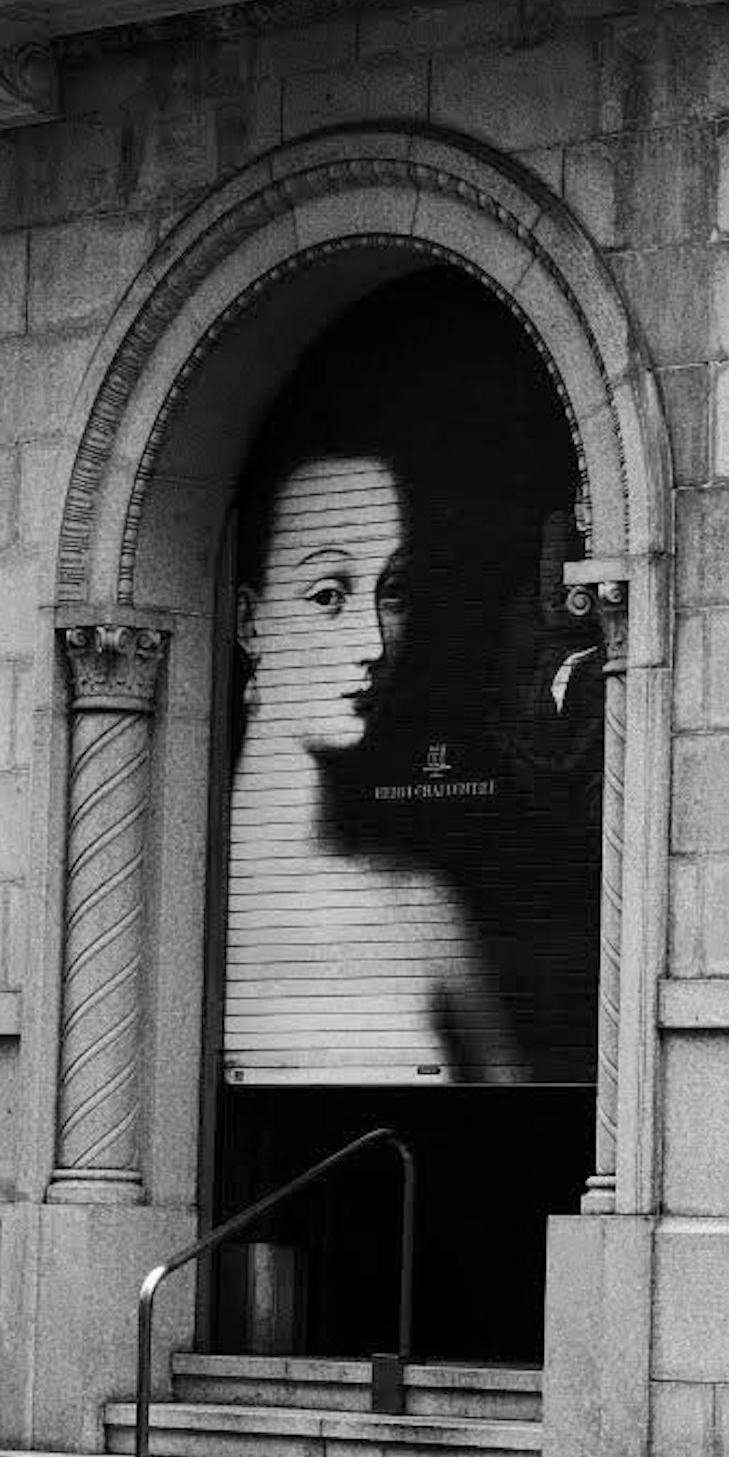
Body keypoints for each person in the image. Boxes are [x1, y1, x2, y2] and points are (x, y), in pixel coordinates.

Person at [221, 440, 520, 1081]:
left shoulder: (426, 910)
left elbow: (507, 1104)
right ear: (250, 621)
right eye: (328, 595)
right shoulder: (190, 890)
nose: (372, 643)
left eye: (393, 593)